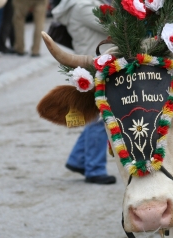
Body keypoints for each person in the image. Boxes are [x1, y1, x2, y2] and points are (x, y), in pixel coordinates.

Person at [52, 0, 116, 184]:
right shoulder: (82, 6)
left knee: (96, 116)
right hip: (94, 66)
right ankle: (95, 169)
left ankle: (78, 159)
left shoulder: (84, 4)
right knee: (99, 119)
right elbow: (112, 28)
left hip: (96, 63)